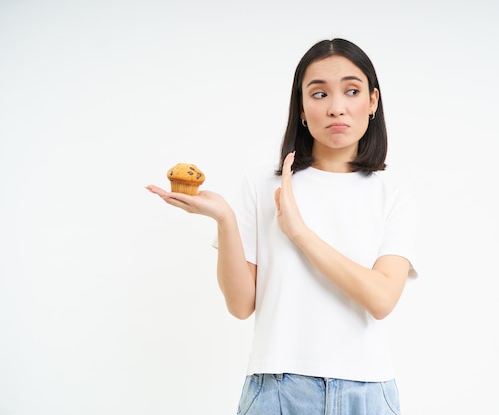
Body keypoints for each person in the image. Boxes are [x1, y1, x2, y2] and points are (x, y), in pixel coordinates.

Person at [146, 38, 418, 415]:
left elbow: (381, 299)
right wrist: (225, 218)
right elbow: (241, 305)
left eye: (351, 91)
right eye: (319, 94)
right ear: (302, 108)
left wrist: (299, 233)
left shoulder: (392, 194)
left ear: (372, 101)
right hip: (276, 390)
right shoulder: (261, 184)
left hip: (367, 392)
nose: (336, 107)